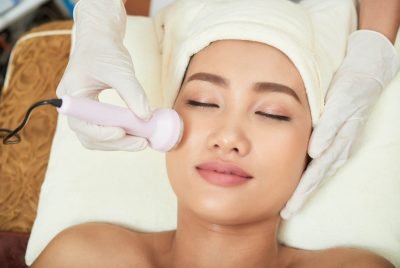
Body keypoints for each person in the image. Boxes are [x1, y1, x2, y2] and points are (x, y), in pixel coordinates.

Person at [34, 1, 396, 266]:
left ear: (318, 141)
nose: (228, 137)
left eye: (272, 114)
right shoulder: (85, 258)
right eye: (203, 102)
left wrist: (375, 46)